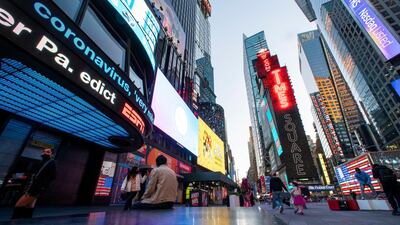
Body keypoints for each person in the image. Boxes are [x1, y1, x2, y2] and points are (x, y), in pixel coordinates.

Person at [12, 148, 56, 219]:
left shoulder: (51, 163)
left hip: (35, 188)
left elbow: (52, 176)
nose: (45, 153)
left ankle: (14, 221)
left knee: (18, 205)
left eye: (48, 152)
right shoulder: (41, 162)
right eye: (44, 151)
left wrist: (42, 186)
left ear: (52, 154)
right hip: (32, 186)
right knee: (29, 206)